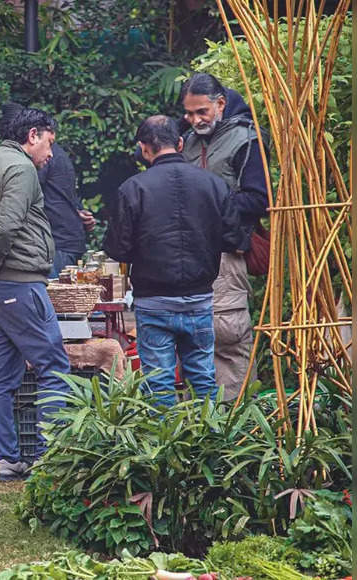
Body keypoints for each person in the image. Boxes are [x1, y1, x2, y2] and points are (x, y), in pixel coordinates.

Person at [0, 107, 71, 480]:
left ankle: (8, 459)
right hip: (21, 284)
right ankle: (48, 458)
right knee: (54, 367)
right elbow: (6, 227)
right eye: (49, 144)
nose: (50, 154)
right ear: (33, 135)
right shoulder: (21, 168)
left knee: (2, 378)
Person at [103, 116, 243, 404]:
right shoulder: (214, 184)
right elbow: (234, 239)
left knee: (158, 382)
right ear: (180, 143)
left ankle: (163, 446)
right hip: (200, 298)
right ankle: (208, 443)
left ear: (144, 148)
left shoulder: (133, 188)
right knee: (203, 378)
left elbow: (117, 248)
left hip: (153, 301)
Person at [179, 72, 270, 397]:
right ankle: (199, 432)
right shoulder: (188, 140)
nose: (194, 120)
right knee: (191, 338)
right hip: (190, 256)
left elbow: (259, 199)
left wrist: (207, 204)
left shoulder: (246, 138)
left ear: (220, 104)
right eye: (189, 113)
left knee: (227, 337)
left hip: (227, 256)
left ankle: (239, 429)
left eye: (201, 112)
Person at [0, 103, 96, 277]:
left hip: (57, 243)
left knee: (55, 300)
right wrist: (77, 211)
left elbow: (23, 196)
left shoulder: (41, 155)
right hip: (64, 239)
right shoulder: (50, 152)